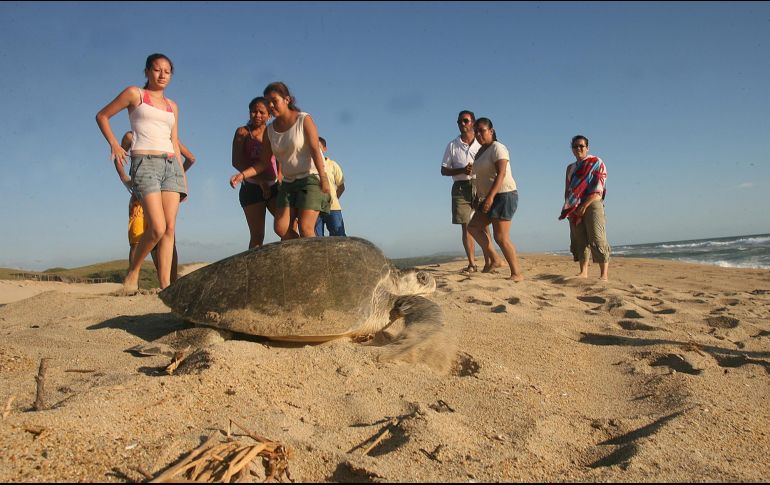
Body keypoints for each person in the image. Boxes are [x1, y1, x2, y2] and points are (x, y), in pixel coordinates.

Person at [96, 53, 186, 291]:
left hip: (171, 166)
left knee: (169, 229)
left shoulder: (172, 106)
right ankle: (133, 272)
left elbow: (174, 141)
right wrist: (115, 144)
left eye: (167, 71)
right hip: (145, 163)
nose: (162, 75)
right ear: (147, 71)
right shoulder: (135, 94)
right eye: (157, 70)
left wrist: (182, 176)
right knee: (156, 227)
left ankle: (166, 286)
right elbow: (102, 116)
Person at [230, 82, 330, 240]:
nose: (270, 105)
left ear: (287, 100)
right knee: (281, 228)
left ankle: (315, 263)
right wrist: (242, 175)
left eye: (274, 101)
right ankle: (301, 255)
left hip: (310, 178)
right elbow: (263, 163)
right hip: (289, 183)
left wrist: (323, 178)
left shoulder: (304, 119)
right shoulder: (270, 130)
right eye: (267, 102)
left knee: (305, 227)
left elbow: (315, 150)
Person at [116, 131, 195, 283]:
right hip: (152, 192)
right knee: (165, 233)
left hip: (143, 192)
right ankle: (169, 283)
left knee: (141, 239)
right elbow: (190, 158)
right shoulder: (166, 137)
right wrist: (175, 178)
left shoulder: (132, 136)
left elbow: (191, 158)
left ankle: (137, 284)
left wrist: (125, 178)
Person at [467, 117, 524, 281]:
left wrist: (490, 198)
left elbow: (502, 173)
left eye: (482, 130)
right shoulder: (480, 152)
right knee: (473, 227)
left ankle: (516, 273)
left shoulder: (498, 148)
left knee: (501, 236)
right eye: (476, 131)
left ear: (491, 131)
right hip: (487, 196)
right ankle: (495, 259)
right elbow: (479, 177)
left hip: (504, 194)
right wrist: (478, 197)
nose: (478, 134)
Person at [441, 110, 490, 273]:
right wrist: (462, 170)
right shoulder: (452, 145)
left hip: (480, 183)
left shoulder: (482, 143)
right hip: (461, 186)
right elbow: (444, 170)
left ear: (473, 123)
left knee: (484, 224)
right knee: (467, 226)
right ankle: (471, 263)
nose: (462, 124)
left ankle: (489, 262)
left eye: (465, 121)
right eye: (460, 121)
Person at [559, 135, 610, 280]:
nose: (578, 149)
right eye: (575, 146)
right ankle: (583, 272)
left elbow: (599, 188)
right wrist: (570, 207)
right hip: (574, 206)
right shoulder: (570, 168)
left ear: (587, 148)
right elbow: (568, 189)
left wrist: (585, 205)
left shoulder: (596, 162)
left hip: (593, 203)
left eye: (581, 146)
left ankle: (603, 275)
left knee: (597, 237)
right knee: (579, 239)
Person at [232, 97, 279, 248]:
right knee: (257, 235)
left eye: (262, 112)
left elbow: (280, 159)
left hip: (275, 186)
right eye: (254, 111)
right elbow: (237, 161)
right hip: (251, 187)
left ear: (269, 115)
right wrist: (260, 182)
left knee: (288, 227)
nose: (257, 115)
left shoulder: (274, 132)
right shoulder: (242, 133)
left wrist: (281, 180)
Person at [314, 137, 346, 236]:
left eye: (319, 148)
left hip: (333, 208)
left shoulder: (332, 165)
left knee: (339, 237)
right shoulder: (308, 165)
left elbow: (341, 186)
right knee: (316, 241)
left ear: (324, 149)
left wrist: (333, 199)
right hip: (314, 208)